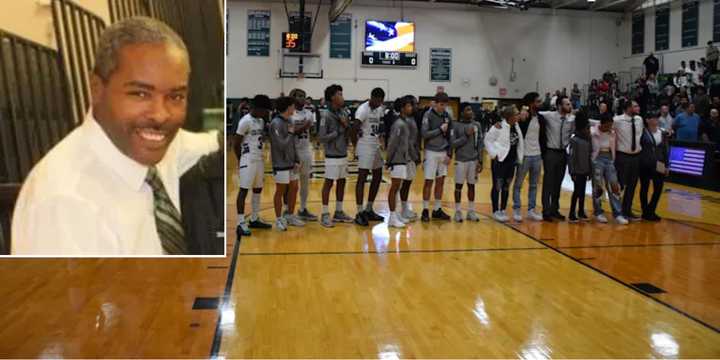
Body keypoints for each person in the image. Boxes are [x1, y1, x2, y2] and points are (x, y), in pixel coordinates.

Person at [12, 17, 220, 255]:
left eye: (175, 97)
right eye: (140, 94)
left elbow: (208, 143)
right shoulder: (63, 203)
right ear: (96, 89)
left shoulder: (156, 144)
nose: (161, 115)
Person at [235, 95, 272, 237]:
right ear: (257, 108)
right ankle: (240, 223)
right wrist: (241, 159)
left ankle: (254, 218)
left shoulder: (261, 121)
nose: (265, 113)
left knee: (258, 189)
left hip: (259, 158)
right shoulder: (245, 121)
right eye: (264, 110)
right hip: (248, 159)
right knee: (243, 190)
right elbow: (236, 142)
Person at [318, 84, 354, 227]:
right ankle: (325, 214)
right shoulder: (325, 115)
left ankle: (338, 211)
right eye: (339, 94)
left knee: (342, 181)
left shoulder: (344, 113)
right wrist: (338, 131)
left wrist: (346, 127)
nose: (342, 96)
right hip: (332, 155)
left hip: (343, 153)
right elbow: (321, 138)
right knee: (328, 183)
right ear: (332, 97)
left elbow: (348, 132)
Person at [352, 88, 386, 226]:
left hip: (375, 144)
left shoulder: (379, 109)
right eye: (378, 100)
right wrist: (355, 146)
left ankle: (369, 208)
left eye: (381, 101)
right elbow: (354, 128)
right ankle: (359, 212)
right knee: (362, 177)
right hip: (365, 144)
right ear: (372, 97)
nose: (380, 103)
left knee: (378, 175)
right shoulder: (362, 109)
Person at [485, 105, 524, 222]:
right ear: (510, 116)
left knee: (506, 186)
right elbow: (487, 140)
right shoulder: (499, 126)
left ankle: (503, 209)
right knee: (498, 186)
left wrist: (519, 158)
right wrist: (494, 153)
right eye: (516, 114)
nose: (518, 115)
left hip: (511, 161)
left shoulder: (516, 126)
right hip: (500, 161)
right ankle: (495, 210)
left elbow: (519, 143)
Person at [539, 96, 575, 221]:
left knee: (558, 183)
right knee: (548, 182)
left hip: (562, 153)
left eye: (570, 104)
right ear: (559, 106)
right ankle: (546, 211)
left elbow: (588, 122)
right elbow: (535, 112)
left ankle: (555, 209)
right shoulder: (549, 115)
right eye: (567, 104)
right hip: (550, 152)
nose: (570, 106)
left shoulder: (571, 119)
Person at [270, 97, 303, 231]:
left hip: (291, 162)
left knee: (294, 187)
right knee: (281, 190)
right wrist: (290, 133)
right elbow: (281, 145)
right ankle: (278, 219)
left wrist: (297, 158)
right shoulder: (275, 123)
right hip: (280, 162)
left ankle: (289, 215)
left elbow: (292, 143)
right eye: (293, 106)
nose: (294, 108)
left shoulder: (290, 120)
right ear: (288, 107)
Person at [286, 89, 318, 222]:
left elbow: (313, 131)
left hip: (306, 150)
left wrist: (313, 130)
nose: (302, 99)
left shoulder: (309, 113)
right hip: (293, 151)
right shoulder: (288, 114)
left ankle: (303, 209)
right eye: (299, 96)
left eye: (304, 96)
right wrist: (304, 126)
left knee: (305, 182)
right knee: (291, 184)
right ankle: (287, 210)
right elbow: (290, 133)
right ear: (292, 98)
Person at [420, 92, 453, 222]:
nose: (443, 107)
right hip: (431, 152)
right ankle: (425, 210)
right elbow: (424, 134)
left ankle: (437, 209)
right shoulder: (428, 115)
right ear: (435, 103)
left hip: (443, 152)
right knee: (429, 181)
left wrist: (450, 154)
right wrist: (439, 130)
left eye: (445, 105)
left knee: (441, 182)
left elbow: (451, 136)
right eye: (441, 104)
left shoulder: (447, 116)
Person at [512, 92, 544, 222]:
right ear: (531, 103)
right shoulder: (523, 117)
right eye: (537, 101)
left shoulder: (541, 118)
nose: (540, 104)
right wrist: (521, 114)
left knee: (534, 185)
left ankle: (531, 210)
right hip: (524, 156)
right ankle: (517, 209)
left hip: (537, 156)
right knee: (518, 184)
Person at [591, 113, 627, 225]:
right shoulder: (593, 131)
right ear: (601, 123)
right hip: (597, 159)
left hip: (609, 158)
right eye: (607, 125)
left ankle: (618, 213)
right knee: (598, 186)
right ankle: (598, 212)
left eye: (611, 125)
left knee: (614, 185)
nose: (609, 127)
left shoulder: (612, 132)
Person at [450, 103, 483, 222]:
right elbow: (453, 143)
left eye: (471, 109)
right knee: (458, 186)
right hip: (460, 160)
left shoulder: (477, 125)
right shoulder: (456, 125)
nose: (471, 112)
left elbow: (480, 143)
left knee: (472, 185)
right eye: (468, 110)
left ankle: (471, 211)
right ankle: (458, 211)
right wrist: (466, 135)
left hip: (473, 160)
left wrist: (480, 160)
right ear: (462, 112)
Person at [385, 97, 414, 228]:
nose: (411, 108)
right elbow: (392, 143)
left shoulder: (404, 122)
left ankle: (395, 214)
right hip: (396, 160)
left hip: (402, 159)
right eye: (408, 106)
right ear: (402, 108)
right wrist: (389, 159)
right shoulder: (398, 124)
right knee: (394, 188)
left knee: (397, 188)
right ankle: (391, 217)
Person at [614, 99, 644, 221]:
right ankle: (617, 211)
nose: (638, 108)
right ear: (627, 108)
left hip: (636, 156)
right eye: (635, 106)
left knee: (632, 185)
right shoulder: (617, 120)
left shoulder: (639, 120)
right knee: (620, 185)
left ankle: (627, 210)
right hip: (623, 156)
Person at [639, 111, 669, 222]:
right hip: (645, 164)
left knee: (658, 188)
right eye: (653, 117)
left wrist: (667, 165)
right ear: (647, 120)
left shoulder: (662, 133)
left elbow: (666, 149)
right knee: (644, 188)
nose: (656, 120)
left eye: (657, 118)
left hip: (660, 164)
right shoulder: (642, 132)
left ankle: (650, 210)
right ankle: (645, 211)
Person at [567, 111, 592, 223]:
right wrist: (572, 172)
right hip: (577, 170)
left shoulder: (588, 140)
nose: (588, 131)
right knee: (577, 191)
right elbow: (571, 157)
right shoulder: (574, 140)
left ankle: (581, 211)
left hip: (585, 169)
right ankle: (572, 212)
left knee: (582, 192)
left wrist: (590, 170)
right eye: (587, 128)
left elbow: (589, 155)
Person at [400, 95, 421, 221]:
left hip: (411, 155)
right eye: (413, 104)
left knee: (407, 183)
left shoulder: (412, 119)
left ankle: (404, 209)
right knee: (403, 184)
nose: (415, 107)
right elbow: (405, 141)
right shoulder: (403, 121)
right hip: (405, 157)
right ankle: (401, 210)